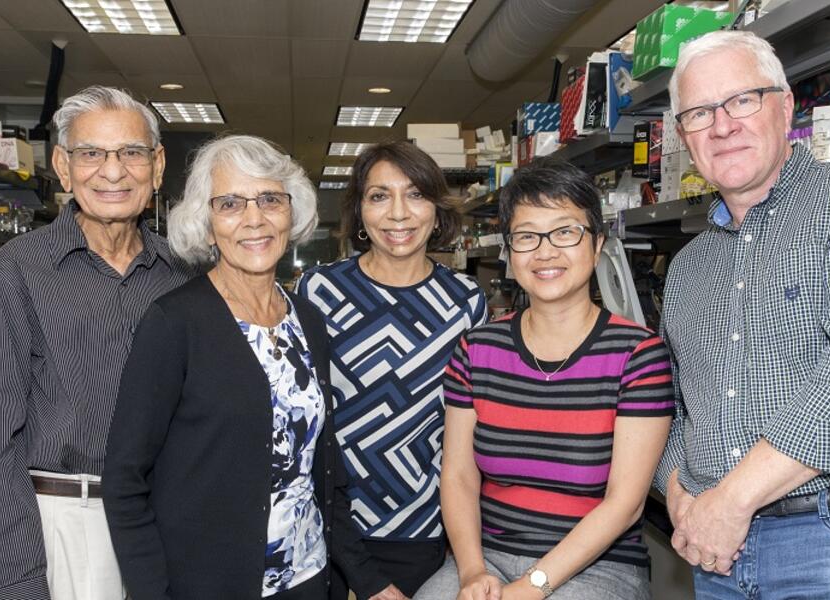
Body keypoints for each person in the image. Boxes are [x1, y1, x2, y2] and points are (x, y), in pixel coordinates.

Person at [101, 135, 404, 600]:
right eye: (230, 204)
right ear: (206, 224)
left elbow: (321, 470)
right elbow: (125, 481)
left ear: (291, 212)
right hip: (209, 585)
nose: (254, 219)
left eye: (269, 199)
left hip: (307, 576)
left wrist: (366, 579)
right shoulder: (174, 323)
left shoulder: (308, 321)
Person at [653, 30, 830, 598]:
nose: (722, 125)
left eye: (742, 100)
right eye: (699, 113)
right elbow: (670, 402)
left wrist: (732, 499)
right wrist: (680, 493)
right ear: (684, 135)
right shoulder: (688, 268)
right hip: (715, 555)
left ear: (785, 107)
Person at [414, 157, 675, 600]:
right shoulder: (477, 349)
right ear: (509, 252)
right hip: (489, 556)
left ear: (596, 245)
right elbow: (457, 475)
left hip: (598, 565)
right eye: (527, 236)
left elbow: (626, 505)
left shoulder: (638, 355)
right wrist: (472, 571)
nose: (546, 251)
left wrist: (534, 584)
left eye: (565, 232)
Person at [0, 86, 192, 600]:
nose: (112, 171)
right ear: (62, 165)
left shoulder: (186, 275)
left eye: (131, 152)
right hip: (67, 523)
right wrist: (16, 575)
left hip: (168, 521)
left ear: (158, 164)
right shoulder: (17, 269)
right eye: (91, 153)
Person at [296, 141, 488, 598]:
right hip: (326, 523)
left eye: (416, 194)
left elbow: (469, 430)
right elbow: (301, 420)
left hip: (421, 526)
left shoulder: (465, 301)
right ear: (359, 211)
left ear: (437, 210)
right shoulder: (319, 290)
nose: (398, 213)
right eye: (379, 196)